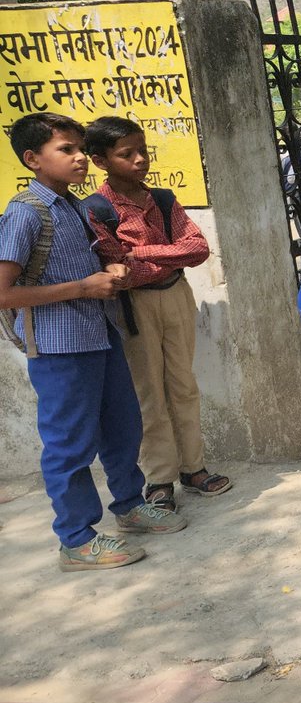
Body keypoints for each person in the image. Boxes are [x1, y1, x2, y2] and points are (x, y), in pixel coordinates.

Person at [0, 112, 186, 572]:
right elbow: (3, 292)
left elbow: (93, 262)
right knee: (70, 443)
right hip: (59, 346)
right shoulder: (26, 212)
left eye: (81, 149)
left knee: (122, 426)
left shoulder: (75, 206)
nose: (80, 158)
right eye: (66, 150)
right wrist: (83, 287)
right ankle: (76, 538)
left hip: (101, 333)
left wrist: (111, 271)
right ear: (32, 159)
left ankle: (129, 506)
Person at [83, 116, 230, 513]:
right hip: (134, 306)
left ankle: (194, 467)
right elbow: (123, 272)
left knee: (184, 384)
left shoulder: (163, 200)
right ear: (100, 161)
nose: (140, 160)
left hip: (176, 295)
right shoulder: (96, 210)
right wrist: (159, 258)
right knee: (148, 393)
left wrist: (142, 252)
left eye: (142, 150)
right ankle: (160, 478)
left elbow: (197, 249)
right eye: (126, 154)